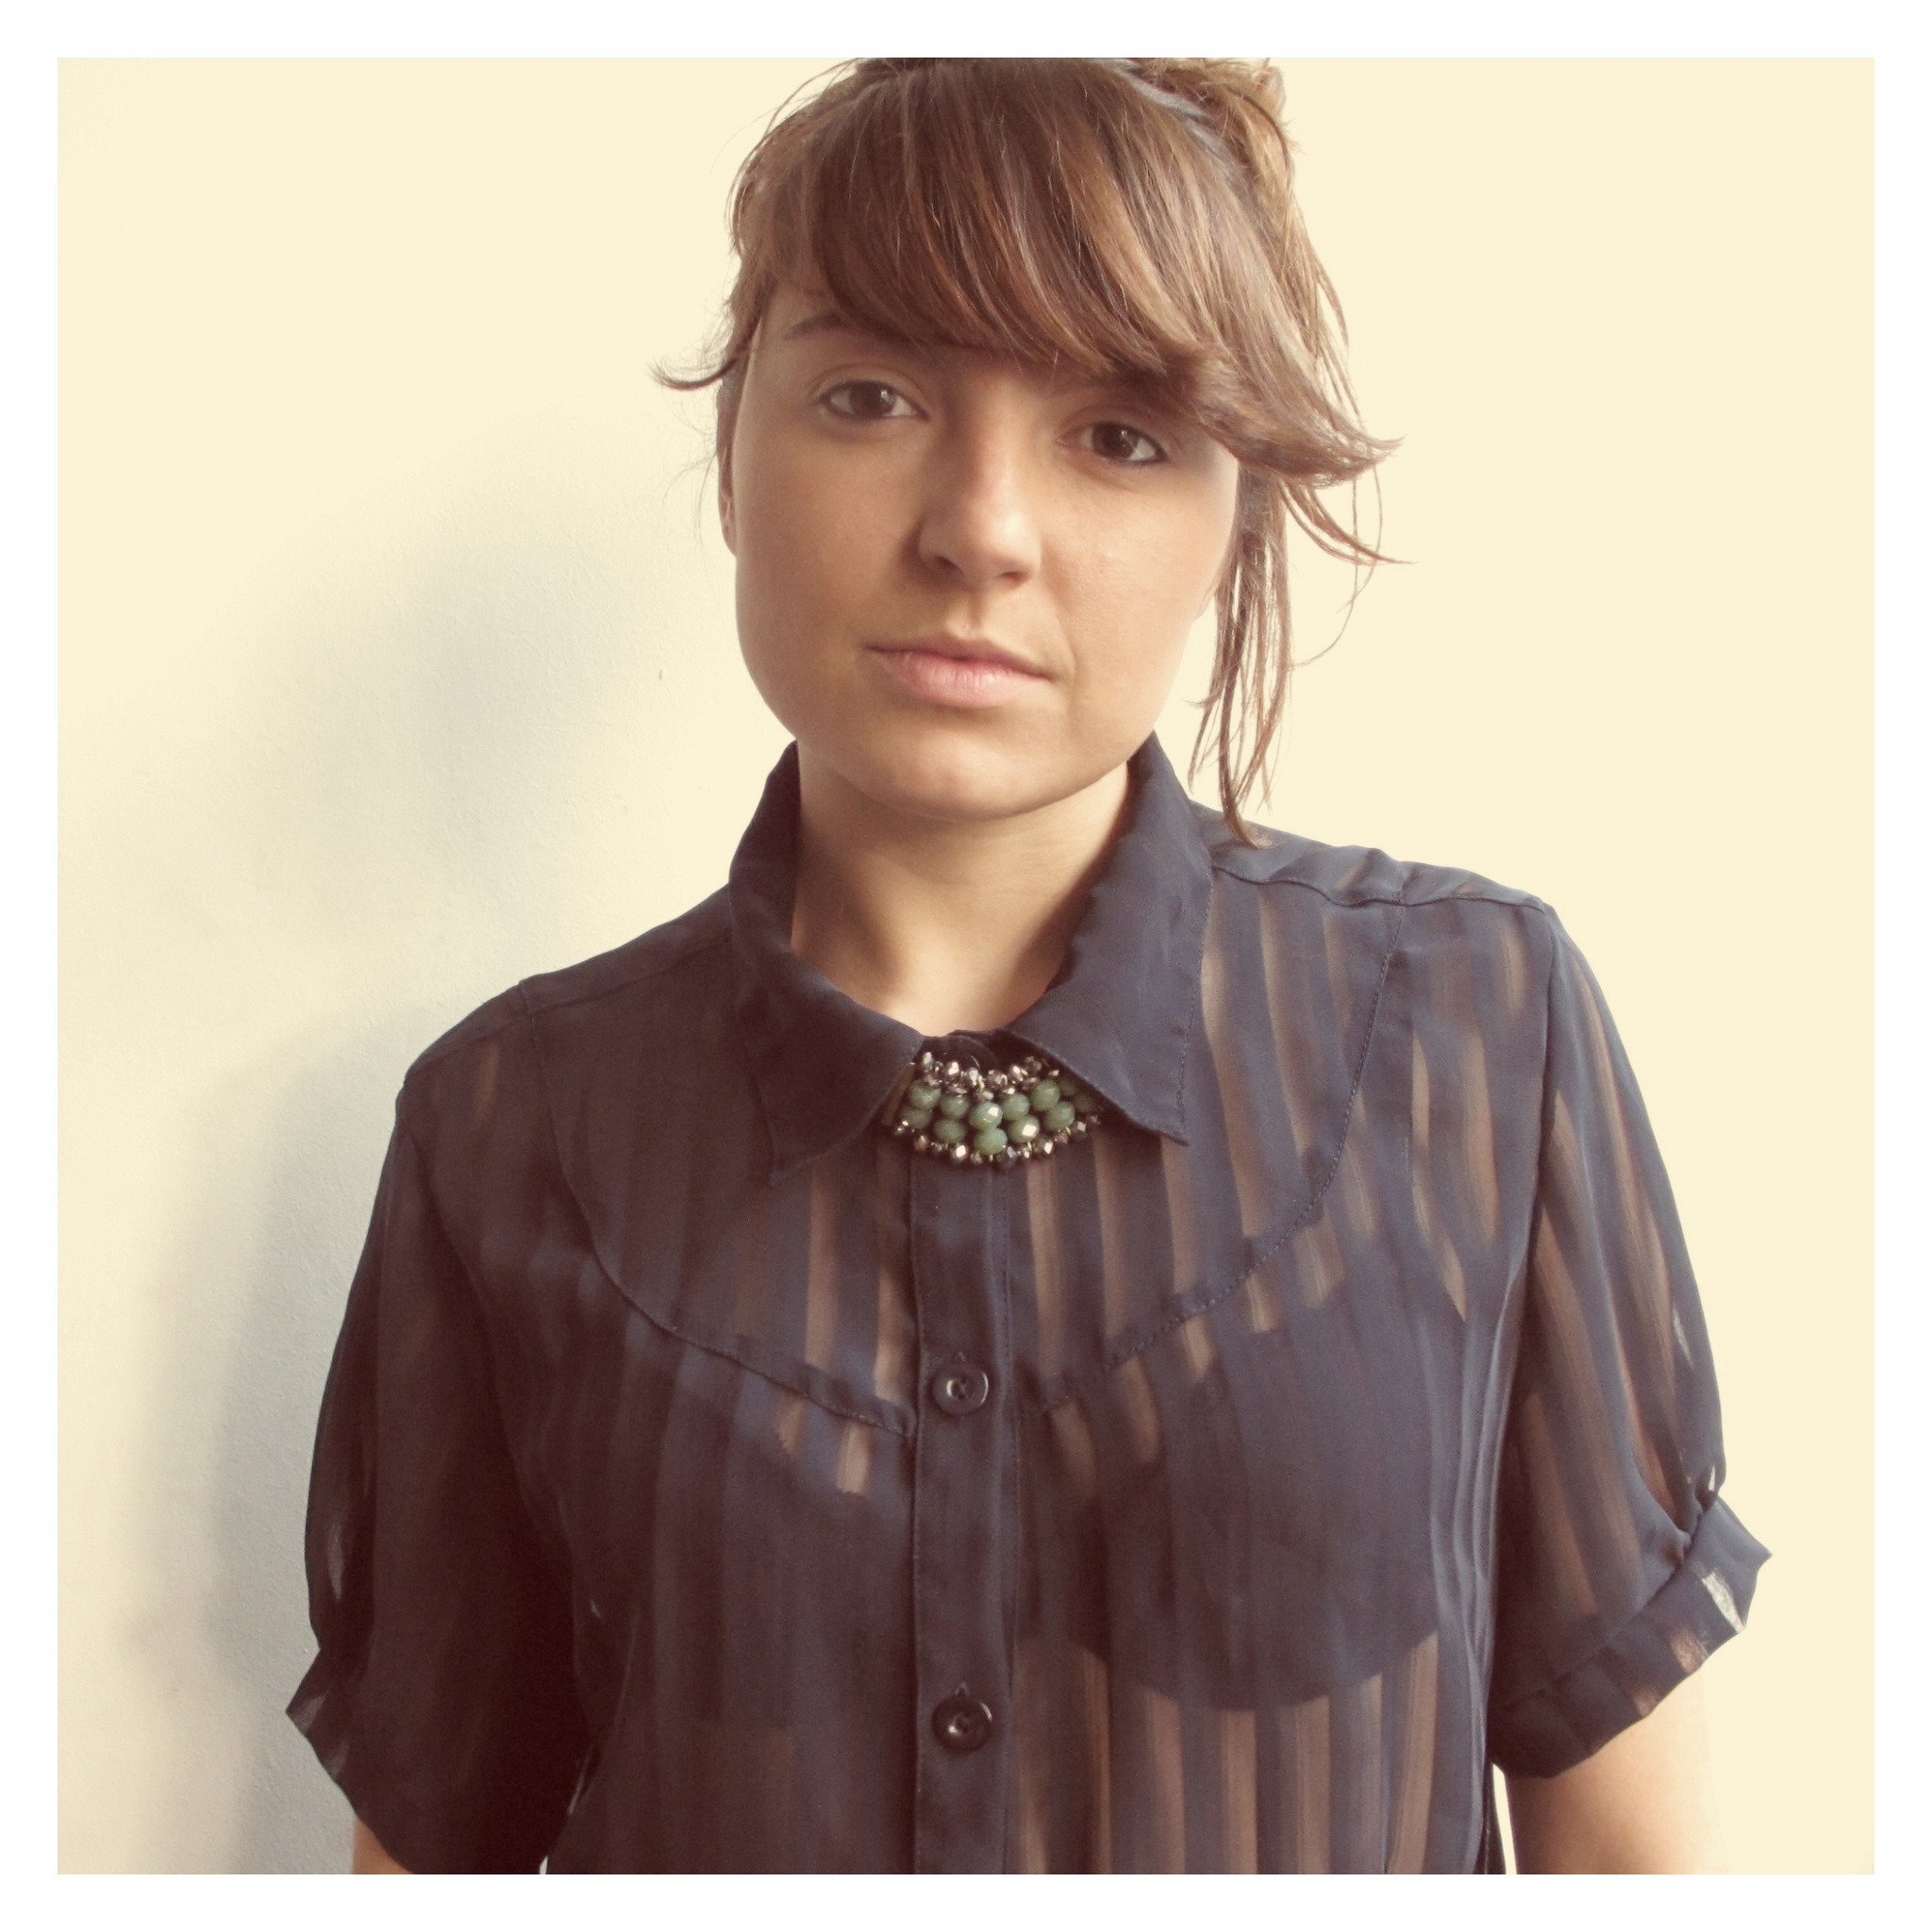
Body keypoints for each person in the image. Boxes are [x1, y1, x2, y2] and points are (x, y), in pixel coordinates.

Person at [288, 57, 1768, 1874]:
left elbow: (1634, 1858)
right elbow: (429, 1863)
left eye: (1121, 435)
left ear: (1232, 520)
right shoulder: (512, 1120)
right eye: (872, 396)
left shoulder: (1479, 1028)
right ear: (734, 455)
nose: (980, 529)